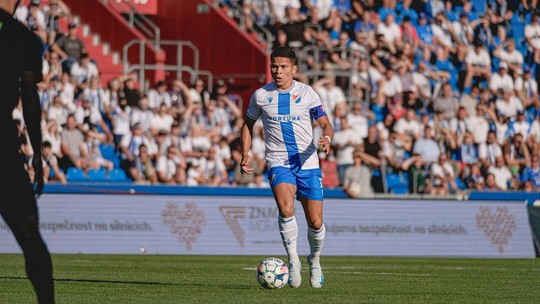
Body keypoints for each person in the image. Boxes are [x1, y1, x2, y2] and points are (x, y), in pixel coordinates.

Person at [240, 47, 333, 289]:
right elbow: (247, 124)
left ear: (293, 69)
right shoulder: (261, 96)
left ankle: (314, 260)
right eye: (274, 66)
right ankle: (293, 261)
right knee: (286, 207)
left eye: (283, 67)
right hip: (279, 161)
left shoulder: (307, 93)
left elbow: (325, 123)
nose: (277, 71)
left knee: (315, 221)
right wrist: (245, 153)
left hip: (308, 162)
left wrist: (327, 138)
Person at [0, 1, 54, 303]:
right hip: (3, 147)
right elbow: (30, 100)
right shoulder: (23, 38)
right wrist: (36, 154)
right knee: (30, 235)